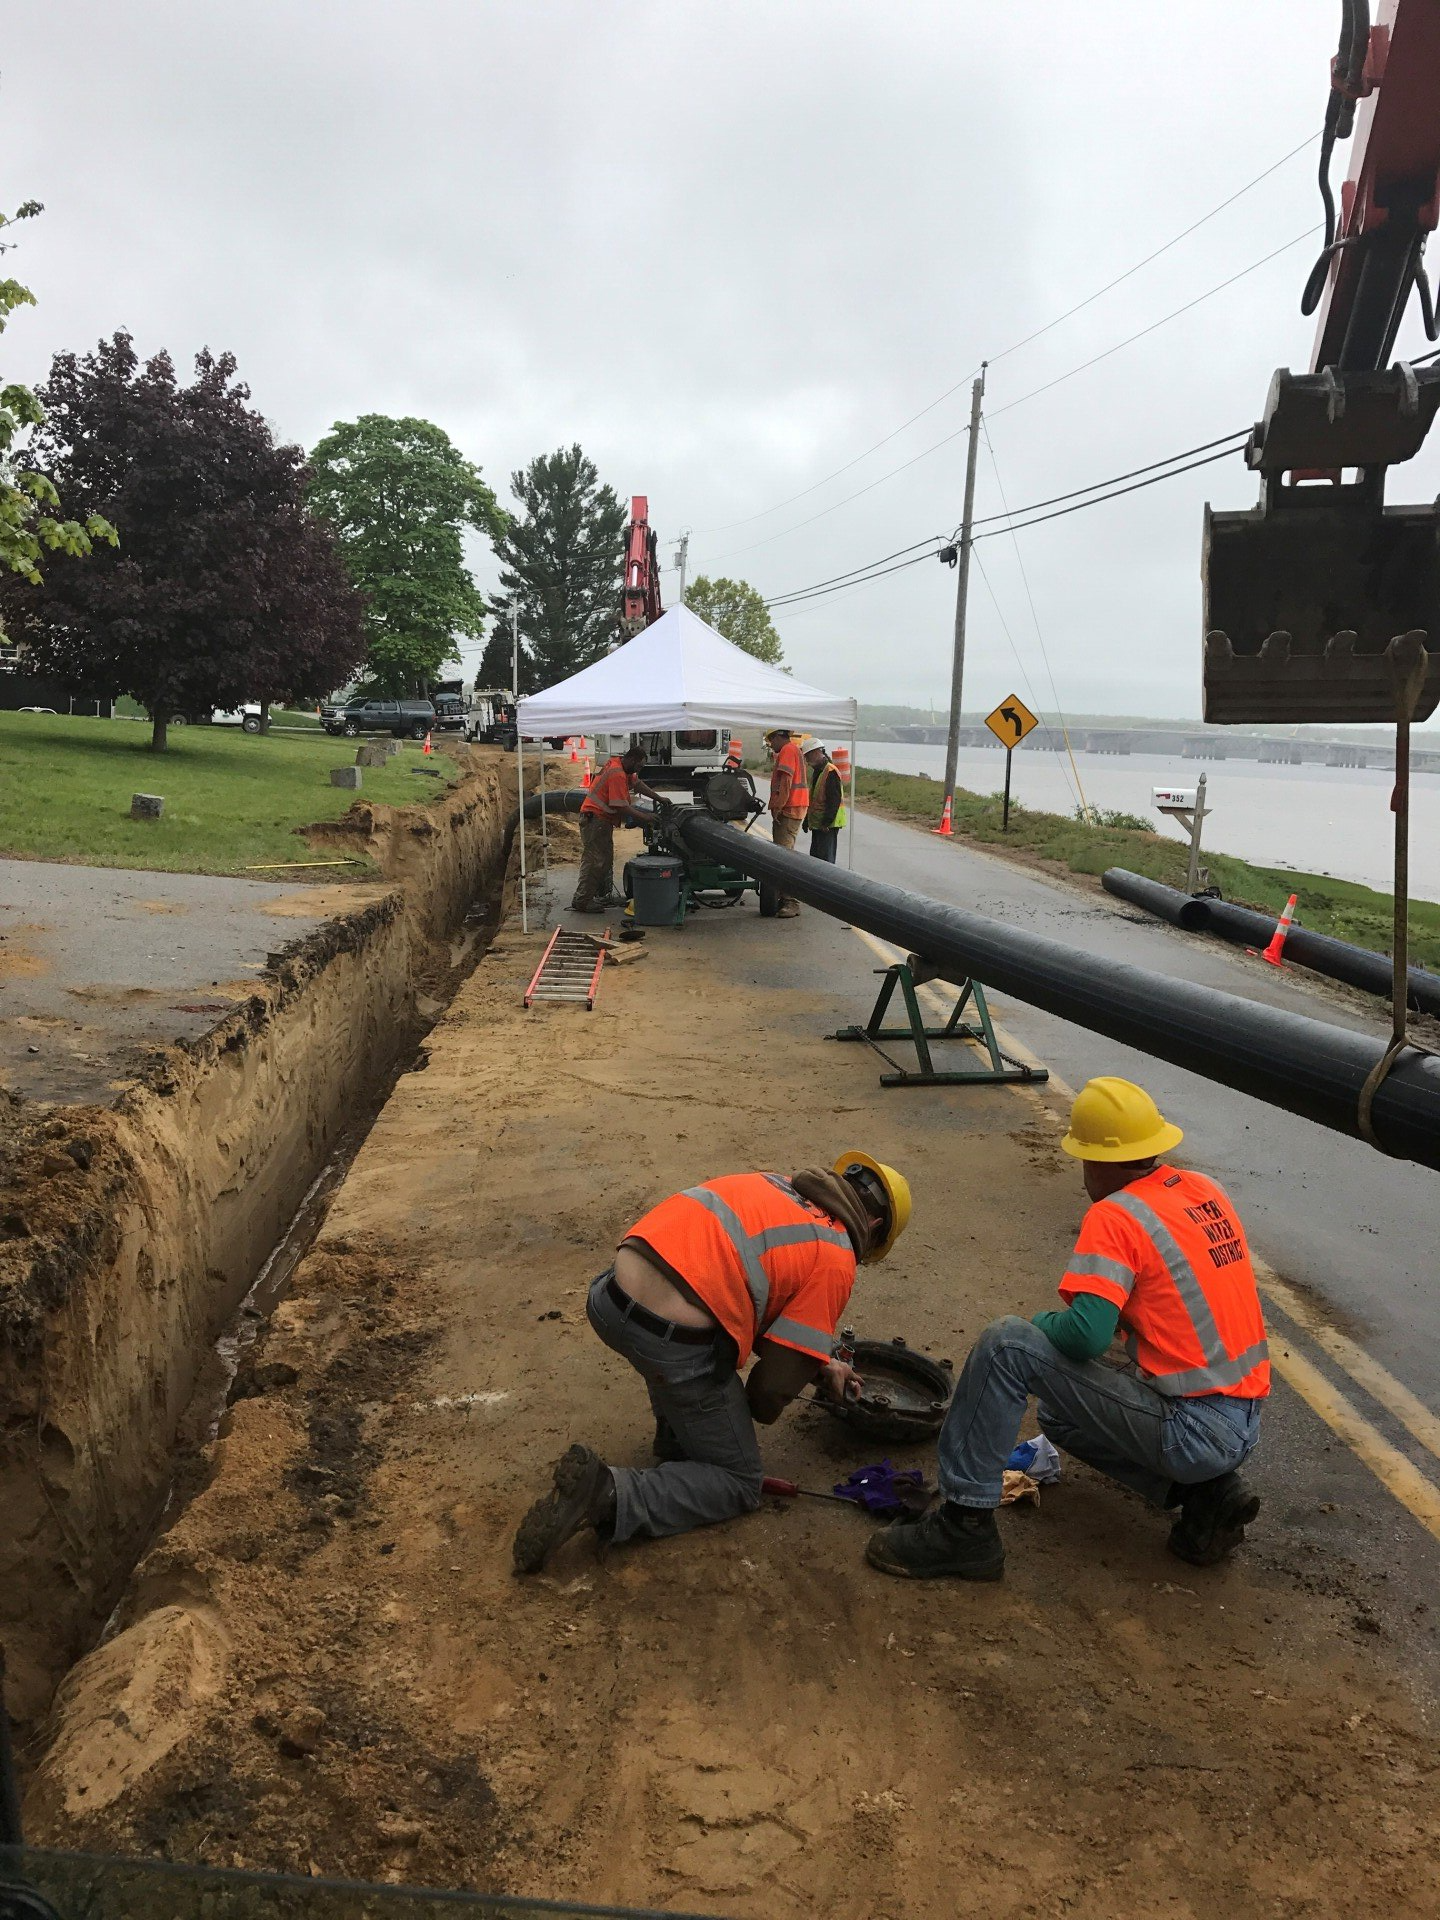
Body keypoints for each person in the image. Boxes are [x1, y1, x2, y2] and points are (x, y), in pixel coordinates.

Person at [867, 1077, 1268, 1583]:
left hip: (1192, 1431)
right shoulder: (1204, 1191)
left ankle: (963, 1526)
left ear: (1095, 1160)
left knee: (1006, 1344)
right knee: (1059, 1418)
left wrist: (1041, 1324)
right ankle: (1206, 1496)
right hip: (1241, 1421)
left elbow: (1085, 1336)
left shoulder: (1116, 1214)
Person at [513, 1152, 912, 1572]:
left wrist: (820, 1364)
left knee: (694, 1330)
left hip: (609, 1300)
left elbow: (745, 1289)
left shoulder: (774, 1185)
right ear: (874, 1228)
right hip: (663, 1338)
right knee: (738, 1481)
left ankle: (679, 1438)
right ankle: (606, 1493)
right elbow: (768, 1391)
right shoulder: (837, 1255)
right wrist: (762, 1399)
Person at [571, 742, 664, 913]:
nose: (638, 770)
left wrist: (659, 798)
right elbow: (620, 805)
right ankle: (583, 900)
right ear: (632, 760)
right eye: (638, 766)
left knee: (603, 859)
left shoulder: (621, 765)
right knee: (595, 861)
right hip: (596, 821)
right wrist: (646, 818)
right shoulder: (617, 774)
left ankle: (596, 896)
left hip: (600, 820)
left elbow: (637, 783)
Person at [764, 726, 811, 917]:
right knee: (783, 854)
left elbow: (786, 782)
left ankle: (791, 902)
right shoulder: (792, 750)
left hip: (789, 809)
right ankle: (783, 897)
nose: (770, 745)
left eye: (770, 741)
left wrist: (778, 807)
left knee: (784, 858)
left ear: (778, 737)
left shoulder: (787, 751)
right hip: (793, 808)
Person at [803, 740, 846, 863]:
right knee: (816, 860)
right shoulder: (819, 771)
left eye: (808, 756)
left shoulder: (830, 771)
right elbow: (814, 800)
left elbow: (834, 800)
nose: (807, 760)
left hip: (827, 826)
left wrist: (826, 822)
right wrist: (807, 820)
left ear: (816, 752)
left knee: (826, 863)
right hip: (818, 825)